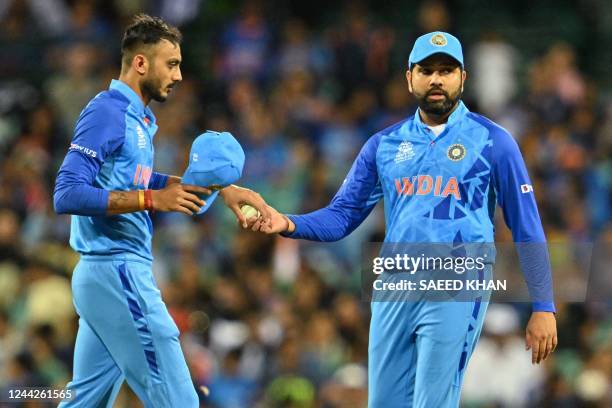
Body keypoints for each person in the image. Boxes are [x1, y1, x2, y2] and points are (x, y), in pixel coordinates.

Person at [249, 31, 558, 407]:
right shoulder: (383, 145)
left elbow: (527, 226)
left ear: (464, 78)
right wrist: (287, 222)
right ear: (409, 77)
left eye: (447, 70)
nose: (437, 79)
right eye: (426, 70)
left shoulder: (494, 141)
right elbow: (342, 216)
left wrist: (543, 306)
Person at [53, 14, 269, 407]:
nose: (180, 75)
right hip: (116, 269)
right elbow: (66, 193)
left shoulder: (138, 119)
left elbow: (136, 179)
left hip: (105, 276)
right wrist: (151, 201)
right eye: (172, 64)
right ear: (140, 63)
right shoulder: (108, 111)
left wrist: (220, 190)